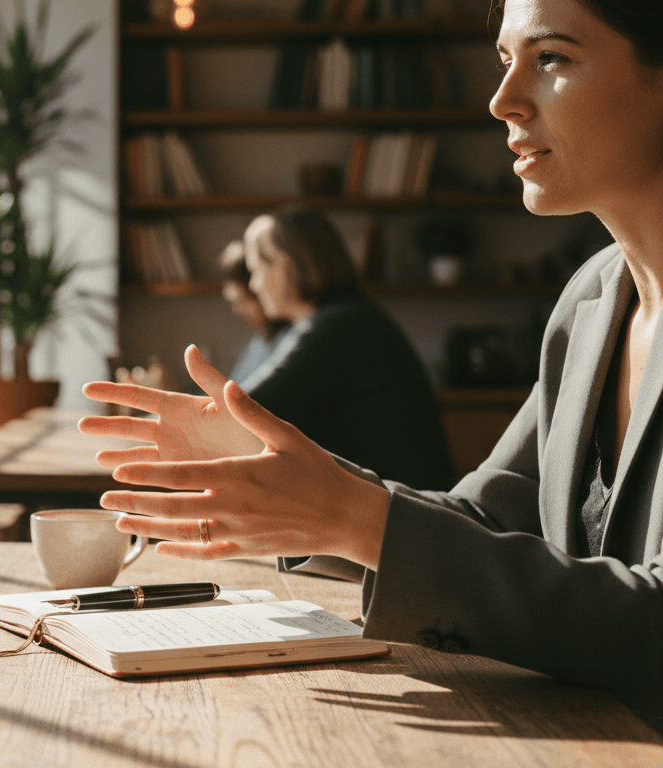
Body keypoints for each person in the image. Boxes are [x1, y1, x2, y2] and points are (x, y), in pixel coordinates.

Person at [78, 0, 663, 727]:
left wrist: (361, 521)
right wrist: (322, 504)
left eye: (551, 59)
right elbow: (484, 516)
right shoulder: (591, 300)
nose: (502, 99)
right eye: (505, 61)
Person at [236, 207, 453, 490]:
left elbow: (243, 410)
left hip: (403, 514)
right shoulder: (346, 317)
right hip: (393, 504)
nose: (254, 285)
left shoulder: (336, 327)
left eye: (255, 270)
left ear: (283, 266)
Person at [215, 239, 290, 385]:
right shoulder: (259, 343)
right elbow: (232, 390)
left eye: (242, 300)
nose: (238, 311)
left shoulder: (290, 342)